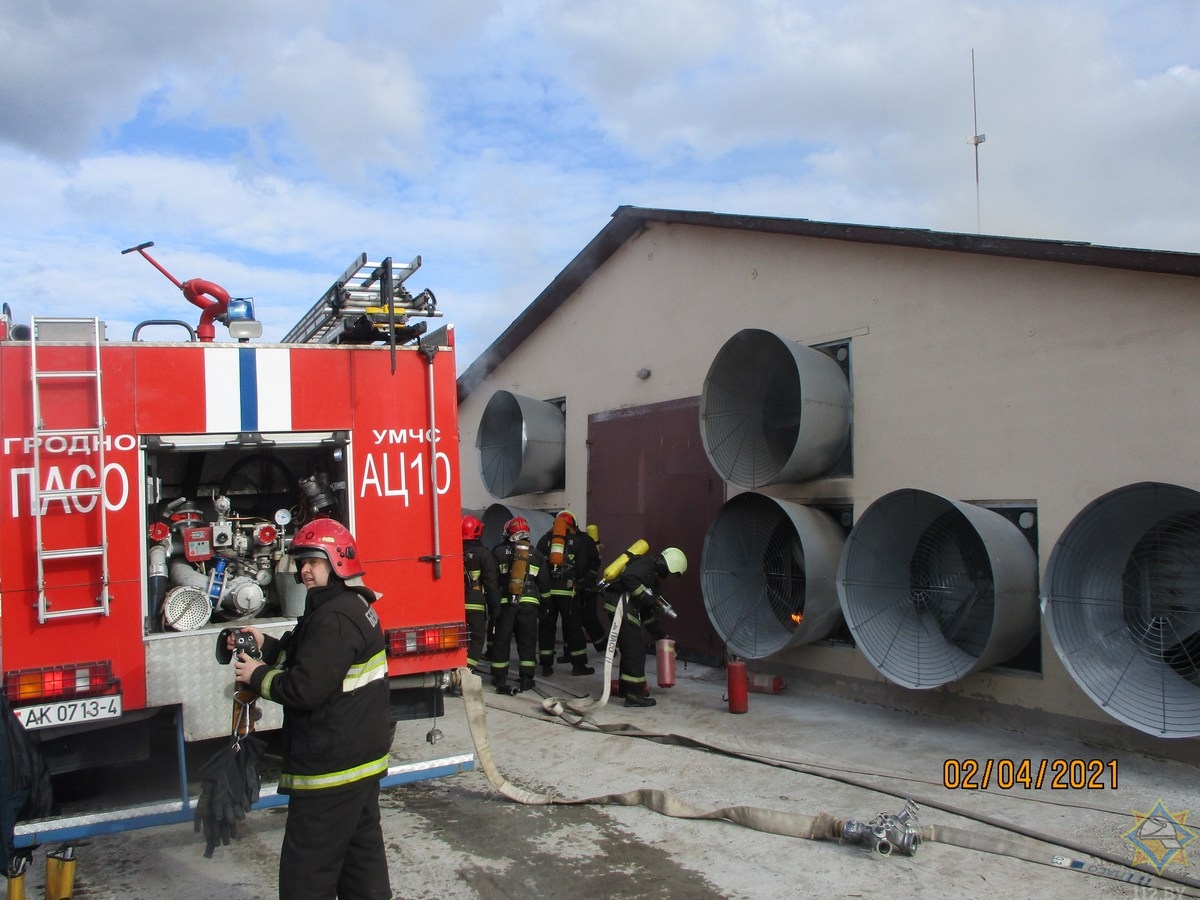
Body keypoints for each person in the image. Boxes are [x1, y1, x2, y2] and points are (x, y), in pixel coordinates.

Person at [232, 518, 393, 900]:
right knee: (360, 862)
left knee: (307, 873)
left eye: (314, 562)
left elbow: (304, 689)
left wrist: (257, 676)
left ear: (338, 562)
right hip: (358, 760)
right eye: (301, 562)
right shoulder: (347, 605)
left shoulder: (334, 617)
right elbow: (316, 659)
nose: (304, 570)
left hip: (331, 767)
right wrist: (268, 646)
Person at [603, 546, 687, 707]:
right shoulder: (647, 564)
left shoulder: (652, 578)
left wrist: (660, 635)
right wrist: (649, 597)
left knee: (630, 649)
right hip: (622, 606)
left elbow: (648, 614)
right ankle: (634, 695)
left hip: (626, 608)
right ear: (670, 565)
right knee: (635, 651)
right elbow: (628, 577)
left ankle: (626, 688)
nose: (668, 577)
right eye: (671, 573)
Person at [490, 516, 549, 695]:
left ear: (509, 533)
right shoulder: (537, 554)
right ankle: (526, 678)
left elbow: (492, 580)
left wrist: (492, 603)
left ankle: (499, 677)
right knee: (528, 642)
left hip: (506, 604)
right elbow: (544, 584)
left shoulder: (498, 552)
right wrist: (545, 605)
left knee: (502, 640)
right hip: (529, 604)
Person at [535, 511, 595, 677]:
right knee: (573, 628)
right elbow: (582, 566)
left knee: (547, 628)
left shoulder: (543, 540)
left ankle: (546, 666)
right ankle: (578, 665)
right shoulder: (576, 541)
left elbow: (538, 566)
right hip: (568, 592)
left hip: (547, 592)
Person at [461, 514, 501, 675]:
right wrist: (495, 607)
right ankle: (467, 673)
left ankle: (456, 667)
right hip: (475, 603)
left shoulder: (454, 551)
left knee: (460, 639)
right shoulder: (483, 554)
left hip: (456, 604)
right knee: (477, 639)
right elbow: (491, 583)